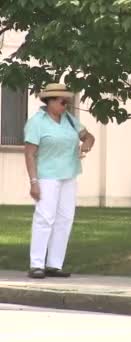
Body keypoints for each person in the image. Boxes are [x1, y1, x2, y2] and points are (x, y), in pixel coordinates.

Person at [23, 83, 95, 279]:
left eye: (67, 101)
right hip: (47, 176)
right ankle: (36, 264)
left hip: (69, 175)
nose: (66, 105)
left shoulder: (69, 120)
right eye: (62, 101)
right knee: (45, 218)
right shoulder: (37, 122)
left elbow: (88, 136)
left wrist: (86, 144)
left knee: (65, 219)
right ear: (50, 101)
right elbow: (29, 154)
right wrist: (34, 182)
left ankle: (54, 264)